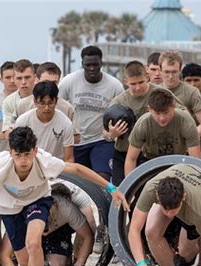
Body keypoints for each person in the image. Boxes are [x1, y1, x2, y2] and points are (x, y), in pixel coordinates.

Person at [0, 126, 128, 266]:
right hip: (8, 207)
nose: (24, 160)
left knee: (33, 243)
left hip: (37, 201)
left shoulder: (43, 160)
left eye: (27, 154)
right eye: (18, 155)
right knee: (25, 262)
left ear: (35, 150)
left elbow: (76, 169)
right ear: (10, 152)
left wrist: (111, 188)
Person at [127, 164, 201, 266]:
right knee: (151, 232)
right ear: (157, 197)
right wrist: (141, 263)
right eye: (165, 209)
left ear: (183, 197)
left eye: (174, 209)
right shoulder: (151, 188)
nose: (169, 214)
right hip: (173, 190)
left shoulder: (199, 207)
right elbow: (134, 229)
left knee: (187, 252)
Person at [0, 182, 94, 266]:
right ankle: (20, 259)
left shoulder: (66, 208)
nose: (45, 220)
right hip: (30, 234)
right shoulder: (21, 215)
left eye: (48, 215)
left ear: (54, 205)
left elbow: (88, 236)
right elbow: (3, 255)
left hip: (59, 230)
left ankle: (67, 259)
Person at [59, 45, 124, 180]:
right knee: (76, 179)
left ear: (101, 63)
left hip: (101, 140)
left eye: (95, 64)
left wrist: (113, 132)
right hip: (76, 141)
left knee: (102, 177)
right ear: (82, 64)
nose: (92, 68)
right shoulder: (69, 81)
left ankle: (101, 200)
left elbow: (121, 112)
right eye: (88, 65)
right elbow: (57, 106)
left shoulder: (114, 85)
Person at [107, 60, 163, 185]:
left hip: (150, 154)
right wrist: (112, 134)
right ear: (125, 82)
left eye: (141, 82)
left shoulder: (160, 93)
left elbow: (180, 112)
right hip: (123, 152)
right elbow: (105, 133)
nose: (138, 87)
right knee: (121, 191)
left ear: (147, 77)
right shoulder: (118, 101)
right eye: (133, 84)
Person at [124, 88, 201, 176]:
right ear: (149, 109)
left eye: (166, 112)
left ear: (173, 106)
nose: (162, 118)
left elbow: (196, 161)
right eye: (157, 113)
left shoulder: (186, 122)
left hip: (180, 161)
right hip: (150, 161)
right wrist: (129, 187)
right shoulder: (143, 124)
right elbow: (131, 159)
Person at [15, 62, 80, 144]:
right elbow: (14, 134)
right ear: (36, 80)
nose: (50, 86)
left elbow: (76, 138)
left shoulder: (67, 108)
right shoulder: (22, 105)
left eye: (54, 83)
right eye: (46, 81)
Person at [15, 81, 74, 162]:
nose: (46, 108)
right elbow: (16, 151)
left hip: (55, 167)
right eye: (42, 103)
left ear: (56, 101)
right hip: (30, 165)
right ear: (35, 102)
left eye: (50, 103)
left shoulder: (66, 123)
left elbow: (69, 158)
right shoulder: (22, 121)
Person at [159, 51, 201, 140]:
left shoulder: (191, 92)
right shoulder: (154, 90)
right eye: (166, 72)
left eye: (174, 72)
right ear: (160, 71)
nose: (170, 76)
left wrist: (185, 140)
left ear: (180, 70)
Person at [2, 59, 36, 132]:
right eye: (19, 78)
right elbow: (8, 129)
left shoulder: (45, 97)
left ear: (35, 77)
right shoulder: (8, 102)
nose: (23, 82)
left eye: (27, 77)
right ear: (14, 79)